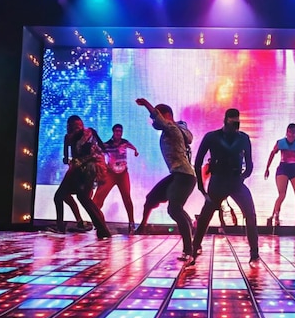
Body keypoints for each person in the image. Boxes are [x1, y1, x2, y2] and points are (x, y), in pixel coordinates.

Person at [191, 108, 259, 267]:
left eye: (237, 122)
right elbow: (198, 161)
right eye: (232, 122)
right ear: (226, 120)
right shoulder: (212, 137)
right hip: (218, 181)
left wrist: (242, 177)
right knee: (205, 215)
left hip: (235, 181)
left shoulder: (243, 138)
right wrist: (201, 186)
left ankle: (254, 254)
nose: (235, 125)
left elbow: (249, 164)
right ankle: (194, 249)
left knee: (250, 214)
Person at [134, 98, 196, 261]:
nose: (153, 121)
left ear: (166, 115)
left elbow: (158, 118)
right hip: (178, 175)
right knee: (151, 199)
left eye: (157, 116)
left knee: (174, 209)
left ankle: (189, 251)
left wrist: (147, 104)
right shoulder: (172, 129)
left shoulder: (171, 127)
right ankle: (143, 227)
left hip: (184, 176)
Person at [52, 115, 111, 239]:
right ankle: (61, 227)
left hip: (88, 169)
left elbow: (100, 150)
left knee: (82, 197)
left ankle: (102, 228)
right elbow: (66, 155)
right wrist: (68, 160)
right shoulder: (68, 138)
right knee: (61, 196)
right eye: (74, 126)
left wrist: (87, 159)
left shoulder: (89, 133)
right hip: (76, 169)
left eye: (79, 125)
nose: (77, 128)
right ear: (69, 127)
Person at [93, 123, 139, 234]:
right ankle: (97, 222)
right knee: (98, 198)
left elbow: (131, 146)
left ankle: (131, 223)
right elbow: (99, 150)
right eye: (117, 131)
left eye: (120, 131)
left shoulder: (124, 142)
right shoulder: (108, 144)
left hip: (122, 174)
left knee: (127, 198)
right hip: (111, 174)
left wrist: (135, 151)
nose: (118, 133)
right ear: (113, 132)